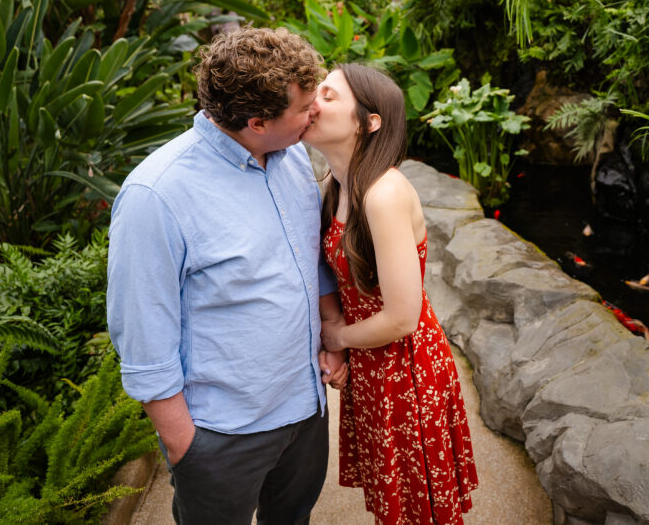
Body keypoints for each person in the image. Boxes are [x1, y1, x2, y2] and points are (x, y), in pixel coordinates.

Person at [106, 27, 348, 525]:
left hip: (304, 408)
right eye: (304, 109)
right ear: (257, 121)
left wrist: (332, 334)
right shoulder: (157, 194)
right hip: (223, 432)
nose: (315, 114)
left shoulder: (292, 155)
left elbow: (310, 257)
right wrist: (185, 446)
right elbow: (142, 333)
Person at [303, 63, 479, 524]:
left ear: (369, 121)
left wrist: (337, 339)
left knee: (420, 508)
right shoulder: (335, 185)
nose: (312, 101)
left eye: (328, 95)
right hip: (375, 364)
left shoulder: (382, 194)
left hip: (406, 367)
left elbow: (403, 316)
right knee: (396, 505)